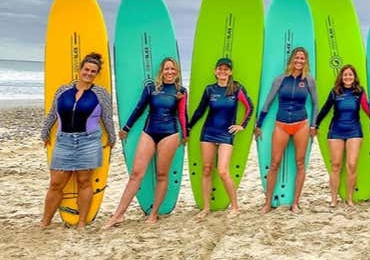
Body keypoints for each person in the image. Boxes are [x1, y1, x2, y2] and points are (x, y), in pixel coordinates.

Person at [102, 58, 188, 229]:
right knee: (136, 174)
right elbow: (139, 107)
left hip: (169, 134)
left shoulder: (181, 91)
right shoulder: (151, 88)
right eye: (166, 69)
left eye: (173, 69)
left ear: (177, 72)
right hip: (149, 131)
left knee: (162, 175)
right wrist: (126, 127)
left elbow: (182, 114)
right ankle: (118, 215)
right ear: (161, 71)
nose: (169, 72)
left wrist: (186, 135)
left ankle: (154, 214)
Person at [40, 52, 115, 229]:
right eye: (86, 69)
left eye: (93, 71)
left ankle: (82, 222)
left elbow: (107, 117)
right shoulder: (63, 90)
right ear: (80, 70)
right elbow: (52, 113)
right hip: (64, 140)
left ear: (96, 74)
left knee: (84, 181)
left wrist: (112, 138)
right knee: (56, 183)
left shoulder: (101, 93)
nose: (89, 73)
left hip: (88, 141)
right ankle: (45, 221)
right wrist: (45, 133)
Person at [255, 47, 318, 214]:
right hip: (281, 124)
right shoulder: (280, 79)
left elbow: (316, 103)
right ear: (291, 60)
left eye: (302, 58)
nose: (299, 61)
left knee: (300, 163)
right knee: (274, 163)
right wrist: (259, 124)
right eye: (297, 58)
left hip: (301, 124)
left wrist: (313, 125)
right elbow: (268, 102)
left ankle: (295, 203)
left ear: (306, 61)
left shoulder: (309, 80)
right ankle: (267, 203)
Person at [188, 57, 253, 218]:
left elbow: (249, 107)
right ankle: (206, 208)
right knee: (207, 169)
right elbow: (200, 111)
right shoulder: (210, 89)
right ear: (215, 71)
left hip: (226, 134)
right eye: (220, 69)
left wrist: (242, 125)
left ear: (230, 72)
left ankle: (235, 207)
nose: (222, 72)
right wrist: (188, 127)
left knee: (223, 171)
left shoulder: (236, 88)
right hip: (208, 132)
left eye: (226, 69)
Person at [311, 64, 370, 208]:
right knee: (336, 165)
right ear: (341, 77)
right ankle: (333, 199)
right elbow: (325, 108)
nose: (348, 77)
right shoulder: (335, 91)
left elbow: (367, 108)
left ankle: (349, 198)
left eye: (350, 74)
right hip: (336, 130)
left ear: (354, 77)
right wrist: (315, 124)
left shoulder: (359, 92)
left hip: (354, 131)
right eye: (345, 75)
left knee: (352, 164)